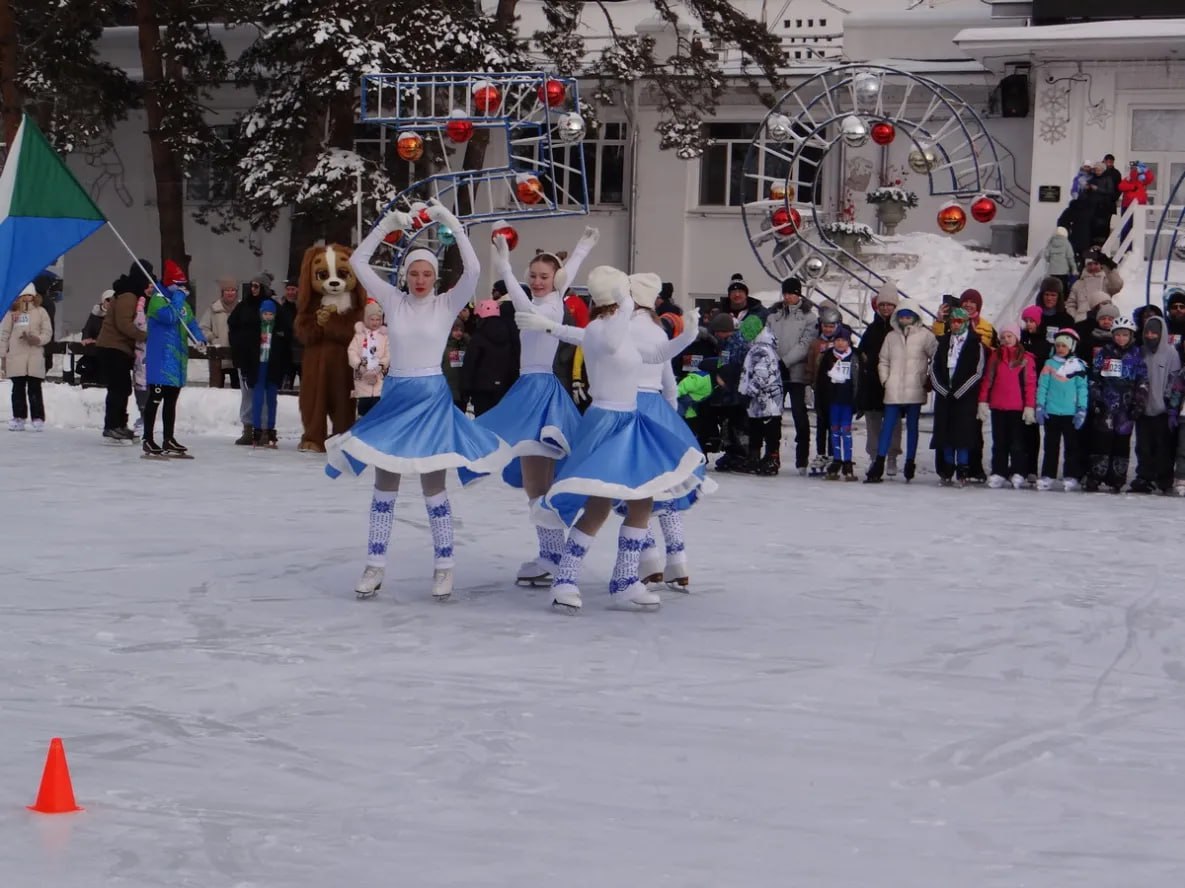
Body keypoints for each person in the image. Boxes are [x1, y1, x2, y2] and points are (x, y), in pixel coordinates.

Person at [335, 199, 510, 601]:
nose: (419, 279)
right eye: (413, 272)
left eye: (426, 273)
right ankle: (375, 566)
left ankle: (445, 567)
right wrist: (387, 225)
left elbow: (475, 270)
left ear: (435, 277)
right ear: (405, 275)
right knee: (385, 483)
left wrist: (451, 221)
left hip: (431, 397)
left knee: (434, 485)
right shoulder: (393, 302)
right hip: (396, 396)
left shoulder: (447, 303)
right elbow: (360, 264)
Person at [515, 265, 701, 613]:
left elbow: (657, 356)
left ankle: (625, 581)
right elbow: (610, 342)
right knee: (599, 505)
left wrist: (688, 334)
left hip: (628, 420)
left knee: (641, 501)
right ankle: (566, 579)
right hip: (606, 421)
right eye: (624, 293)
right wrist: (627, 308)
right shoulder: (602, 329)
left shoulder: (618, 328)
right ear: (614, 297)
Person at [465, 228, 596, 588]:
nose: (537, 281)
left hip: (539, 393)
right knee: (535, 483)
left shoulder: (551, 304)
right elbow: (529, 300)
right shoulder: (542, 302)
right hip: (529, 389)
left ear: (556, 279)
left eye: (544, 276)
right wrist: (507, 266)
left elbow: (532, 300)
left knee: (538, 483)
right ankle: (551, 554)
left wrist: (506, 268)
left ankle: (555, 556)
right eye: (533, 276)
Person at [865, 300, 936, 483]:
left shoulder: (925, 336)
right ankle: (879, 462)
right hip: (894, 388)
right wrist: (886, 380)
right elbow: (883, 360)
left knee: (912, 427)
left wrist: (926, 377)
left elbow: (936, 356)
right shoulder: (891, 337)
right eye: (902, 316)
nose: (905, 319)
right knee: (887, 426)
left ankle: (910, 462)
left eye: (908, 316)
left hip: (914, 387)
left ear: (915, 317)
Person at [142, 261, 206, 458]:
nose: (182, 288)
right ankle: (148, 438)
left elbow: (190, 322)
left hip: (177, 362)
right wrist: (178, 297)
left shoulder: (182, 302)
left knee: (171, 402)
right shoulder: (157, 301)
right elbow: (170, 317)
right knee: (155, 400)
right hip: (160, 361)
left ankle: (168, 438)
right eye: (178, 284)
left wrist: (199, 338)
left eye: (183, 285)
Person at [1086, 315, 1148, 492]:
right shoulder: (1104, 353)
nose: (1121, 338)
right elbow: (1094, 378)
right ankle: (1096, 475)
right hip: (1106, 405)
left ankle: (1117, 477)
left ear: (1131, 336)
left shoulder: (1137, 355)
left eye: (1125, 335)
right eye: (1118, 335)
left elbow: (1143, 381)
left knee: (1121, 443)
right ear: (1113, 335)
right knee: (1101, 441)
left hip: (1126, 408)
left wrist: (1139, 404)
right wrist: (1096, 399)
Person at [96, 261, 153, 441]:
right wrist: (144, 335)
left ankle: (119, 424)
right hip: (113, 347)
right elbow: (124, 324)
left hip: (119, 349)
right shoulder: (128, 295)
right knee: (118, 388)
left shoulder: (130, 294)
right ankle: (112, 426)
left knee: (122, 388)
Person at [929, 307, 987, 486]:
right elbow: (934, 369)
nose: (955, 324)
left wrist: (960, 391)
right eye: (953, 321)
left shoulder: (975, 344)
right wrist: (942, 389)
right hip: (945, 397)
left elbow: (977, 372)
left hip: (965, 398)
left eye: (959, 321)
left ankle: (963, 469)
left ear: (966, 323)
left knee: (963, 436)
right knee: (945, 435)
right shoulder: (943, 342)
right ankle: (946, 469)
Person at [765, 275, 816, 475]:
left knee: (799, 416)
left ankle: (802, 458)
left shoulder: (809, 317)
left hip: (797, 374)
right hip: (775, 373)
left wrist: (785, 361)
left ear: (798, 295)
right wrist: (773, 361)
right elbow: (767, 338)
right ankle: (772, 455)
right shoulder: (773, 315)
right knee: (773, 416)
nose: (788, 297)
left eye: (792, 294)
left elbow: (805, 344)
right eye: (785, 293)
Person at [978, 324, 1037, 489]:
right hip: (998, 406)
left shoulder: (1026, 358)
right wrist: (983, 401)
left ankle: (1018, 471)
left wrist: (1029, 405)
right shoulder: (995, 357)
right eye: (1003, 337)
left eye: (1009, 336)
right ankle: (999, 471)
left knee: (1017, 442)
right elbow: (987, 380)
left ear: (1017, 337)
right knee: (999, 442)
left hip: (1017, 408)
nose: (1006, 340)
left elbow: (1030, 384)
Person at [857, 280, 902, 476]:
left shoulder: (900, 328)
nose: (885, 308)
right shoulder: (871, 329)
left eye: (889, 304)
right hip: (873, 383)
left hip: (894, 381)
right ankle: (874, 456)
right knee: (873, 420)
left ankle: (892, 455)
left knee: (893, 422)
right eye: (882, 304)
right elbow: (862, 351)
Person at [1130, 315, 1179, 493]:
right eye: (1147, 332)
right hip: (1143, 410)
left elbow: (1174, 381)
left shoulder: (1171, 354)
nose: (1150, 336)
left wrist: (1171, 407)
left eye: (1154, 333)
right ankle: (1144, 476)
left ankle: (1164, 478)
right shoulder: (1140, 352)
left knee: (1163, 446)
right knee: (1143, 446)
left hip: (1162, 411)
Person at [1035, 328, 1088, 490]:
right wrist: (1040, 405)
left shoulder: (1078, 365)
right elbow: (1043, 386)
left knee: (1071, 447)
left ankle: (1070, 475)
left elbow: (1082, 388)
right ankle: (1048, 475)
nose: (1060, 349)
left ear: (1071, 347)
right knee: (1051, 446)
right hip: (1052, 412)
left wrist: (1081, 409)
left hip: (1070, 413)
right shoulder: (1049, 364)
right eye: (1057, 345)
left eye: (1064, 346)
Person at [1, 283, 52, 431]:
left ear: (34, 296)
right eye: (23, 296)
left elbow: (47, 332)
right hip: (16, 357)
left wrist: (37, 339)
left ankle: (37, 418)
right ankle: (19, 417)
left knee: (35, 388)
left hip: (34, 356)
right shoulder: (12, 313)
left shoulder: (41, 312)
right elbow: (4, 335)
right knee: (18, 389)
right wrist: (2, 354)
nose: (26, 299)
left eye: (29, 295)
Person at [737, 313, 783, 475]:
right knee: (755, 428)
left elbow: (761, 375)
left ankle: (771, 457)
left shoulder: (761, 350)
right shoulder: (757, 347)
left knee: (770, 430)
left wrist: (748, 393)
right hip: (759, 402)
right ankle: (755, 457)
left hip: (767, 400)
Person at [228, 275, 271, 445]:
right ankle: (248, 428)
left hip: (264, 356)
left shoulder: (271, 307)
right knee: (247, 394)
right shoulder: (243, 306)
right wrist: (238, 345)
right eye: (251, 286)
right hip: (245, 356)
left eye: (257, 286)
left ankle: (265, 430)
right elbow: (232, 324)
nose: (253, 289)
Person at [248, 297, 293, 448]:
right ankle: (257, 429)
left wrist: (285, 370)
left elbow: (285, 351)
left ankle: (271, 429)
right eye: (265, 313)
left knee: (272, 399)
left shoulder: (279, 331)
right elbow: (248, 349)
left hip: (273, 368)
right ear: (261, 314)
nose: (268, 316)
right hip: (259, 366)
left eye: (270, 314)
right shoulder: (255, 329)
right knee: (258, 398)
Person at [460, 298, 517, 416]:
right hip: (503, 387)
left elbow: (470, 364)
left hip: (481, 389)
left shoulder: (478, 337)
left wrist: (465, 388)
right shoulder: (509, 336)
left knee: (483, 423)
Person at [817, 325, 859, 480]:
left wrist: (858, 400)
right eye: (838, 340)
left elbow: (859, 379)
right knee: (834, 430)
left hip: (847, 401)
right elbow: (821, 380)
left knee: (846, 432)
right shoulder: (827, 356)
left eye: (844, 340)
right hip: (832, 401)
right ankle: (836, 459)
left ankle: (847, 461)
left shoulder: (854, 357)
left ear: (849, 342)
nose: (841, 343)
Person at [806, 306, 845, 475]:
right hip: (820, 390)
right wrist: (808, 384)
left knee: (834, 424)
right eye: (825, 325)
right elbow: (809, 365)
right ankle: (821, 453)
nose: (828, 329)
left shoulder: (842, 344)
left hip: (836, 390)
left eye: (831, 326)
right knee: (821, 423)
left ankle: (833, 454)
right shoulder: (816, 344)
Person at [348, 302, 389, 419]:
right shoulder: (359, 335)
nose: (375, 322)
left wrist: (381, 366)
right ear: (366, 319)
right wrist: (359, 365)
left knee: (377, 403)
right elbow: (352, 352)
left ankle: (376, 428)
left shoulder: (384, 336)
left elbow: (388, 353)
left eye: (378, 319)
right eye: (372, 319)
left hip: (379, 376)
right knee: (364, 404)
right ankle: (362, 426)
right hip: (362, 376)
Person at [200, 280, 239, 389]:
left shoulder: (241, 309)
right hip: (217, 355)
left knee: (237, 390)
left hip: (236, 356)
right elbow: (203, 328)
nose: (230, 293)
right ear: (222, 292)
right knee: (216, 390)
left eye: (233, 290)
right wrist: (212, 338)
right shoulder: (213, 309)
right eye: (227, 290)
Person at [1066, 251, 1122, 323]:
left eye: (1096, 264)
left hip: (1103, 321)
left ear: (1100, 265)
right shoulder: (1078, 283)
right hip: (1082, 321)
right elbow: (1070, 304)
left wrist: (1109, 268)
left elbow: (1117, 286)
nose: (1093, 267)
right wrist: (1075, 317)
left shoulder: (1107, 281)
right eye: (1089, 264)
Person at [442, 317, 469, 411]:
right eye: (455, 330)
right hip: (447, 392)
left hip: (462, 393)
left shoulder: (466, 346)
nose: (459, 333)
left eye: (461, 330)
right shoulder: (442, 348)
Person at [279, 278, 302, 392]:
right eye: (288, 289)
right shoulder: (282, 309)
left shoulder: (304, 308)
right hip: (287, 353)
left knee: (306, 388)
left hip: (303, 352)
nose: (290, 292)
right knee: (286, 389)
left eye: (293, 289)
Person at [1043, 228, 1078, 299]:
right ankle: (1063, 303)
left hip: (1052, 271)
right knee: (1063, 289)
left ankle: (1054, 303)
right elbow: (1070, 257)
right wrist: (1074, 268)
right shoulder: (1066, 243)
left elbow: (1046, 255)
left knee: (1053, 288)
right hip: (1063, 271)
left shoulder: (1051, 242)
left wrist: (1051, 261)